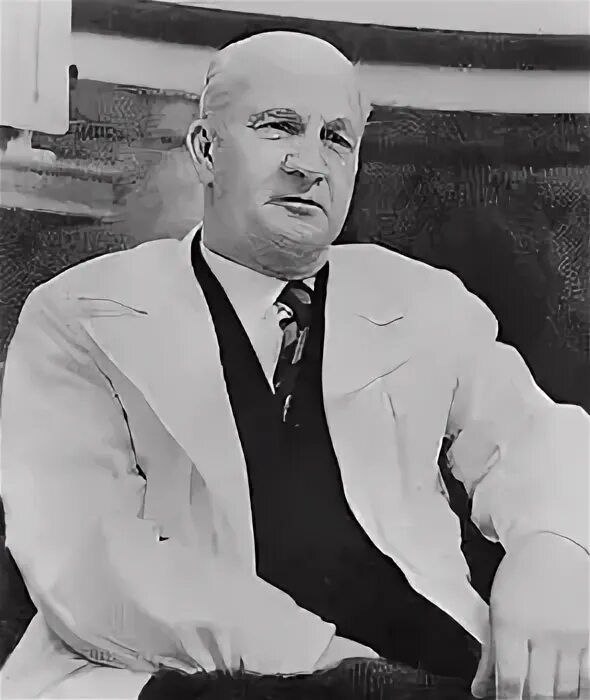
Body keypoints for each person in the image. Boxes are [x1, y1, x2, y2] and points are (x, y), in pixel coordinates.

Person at [0, 31, 588, 700]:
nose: (309, 164)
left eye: (336, 139)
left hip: (429, 668)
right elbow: (87, 555)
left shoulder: (422, 300)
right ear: (205, 149)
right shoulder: (80, 312)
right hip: (190, 678)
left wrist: (556, 554)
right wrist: (325, 661)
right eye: (279, 126)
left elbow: (536, 436)